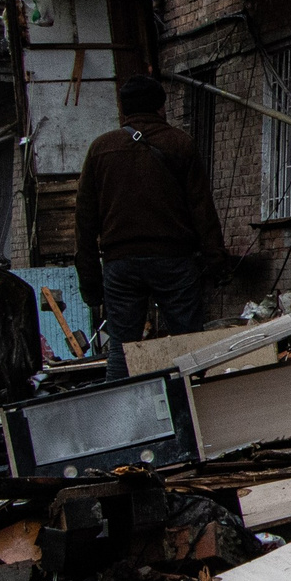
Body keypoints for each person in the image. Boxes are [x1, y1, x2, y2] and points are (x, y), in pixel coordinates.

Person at [75, 73, 228, 378]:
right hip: (174, 261)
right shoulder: (180, 144)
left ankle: (120, 406)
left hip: (120, 264)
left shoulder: (100, 149)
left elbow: (85, 221)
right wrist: (217, 263)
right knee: (188, 346)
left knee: (122, 350)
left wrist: (90, 282)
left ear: (124, 109)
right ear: (161, 107)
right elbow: (202, 209)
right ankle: (191, 402)